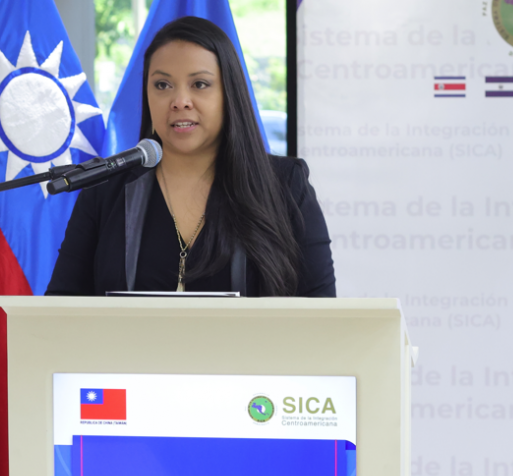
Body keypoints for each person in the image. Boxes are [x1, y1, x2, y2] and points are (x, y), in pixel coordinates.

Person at [45, 16, 335, 297]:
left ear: (229, 93)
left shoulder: (286, 185)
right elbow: (61, 307)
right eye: (162, 85)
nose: (180, 101)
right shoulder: (104, 191)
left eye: (199, 84)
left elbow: (322, 312)